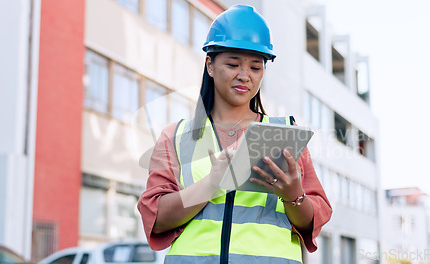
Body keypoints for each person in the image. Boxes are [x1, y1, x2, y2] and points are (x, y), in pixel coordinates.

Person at [137, 4, 332, 264]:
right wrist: (210, 185)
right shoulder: (176, 136)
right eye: (233, 64)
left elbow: (312, 222)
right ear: (210, 64)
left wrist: (293, 195)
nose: (244, 76)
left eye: (255, 67)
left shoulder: (286, 133)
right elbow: (156, 219)